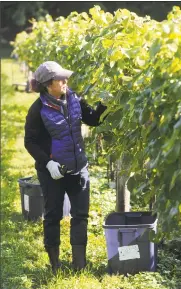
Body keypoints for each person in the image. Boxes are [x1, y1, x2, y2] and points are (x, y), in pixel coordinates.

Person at [24, 61, 107, 274]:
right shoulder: (37, 110)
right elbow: (30, 141)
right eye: (60, 78)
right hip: (53, 172)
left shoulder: (75, 98)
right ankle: (55, 265)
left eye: (65, 77)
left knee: (81, 214)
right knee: (53, 215)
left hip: (78, 168)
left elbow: (92, 120)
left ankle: (79, 264)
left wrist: (103, 105)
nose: (65, 81)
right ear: (48, 84)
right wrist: (48, 162)